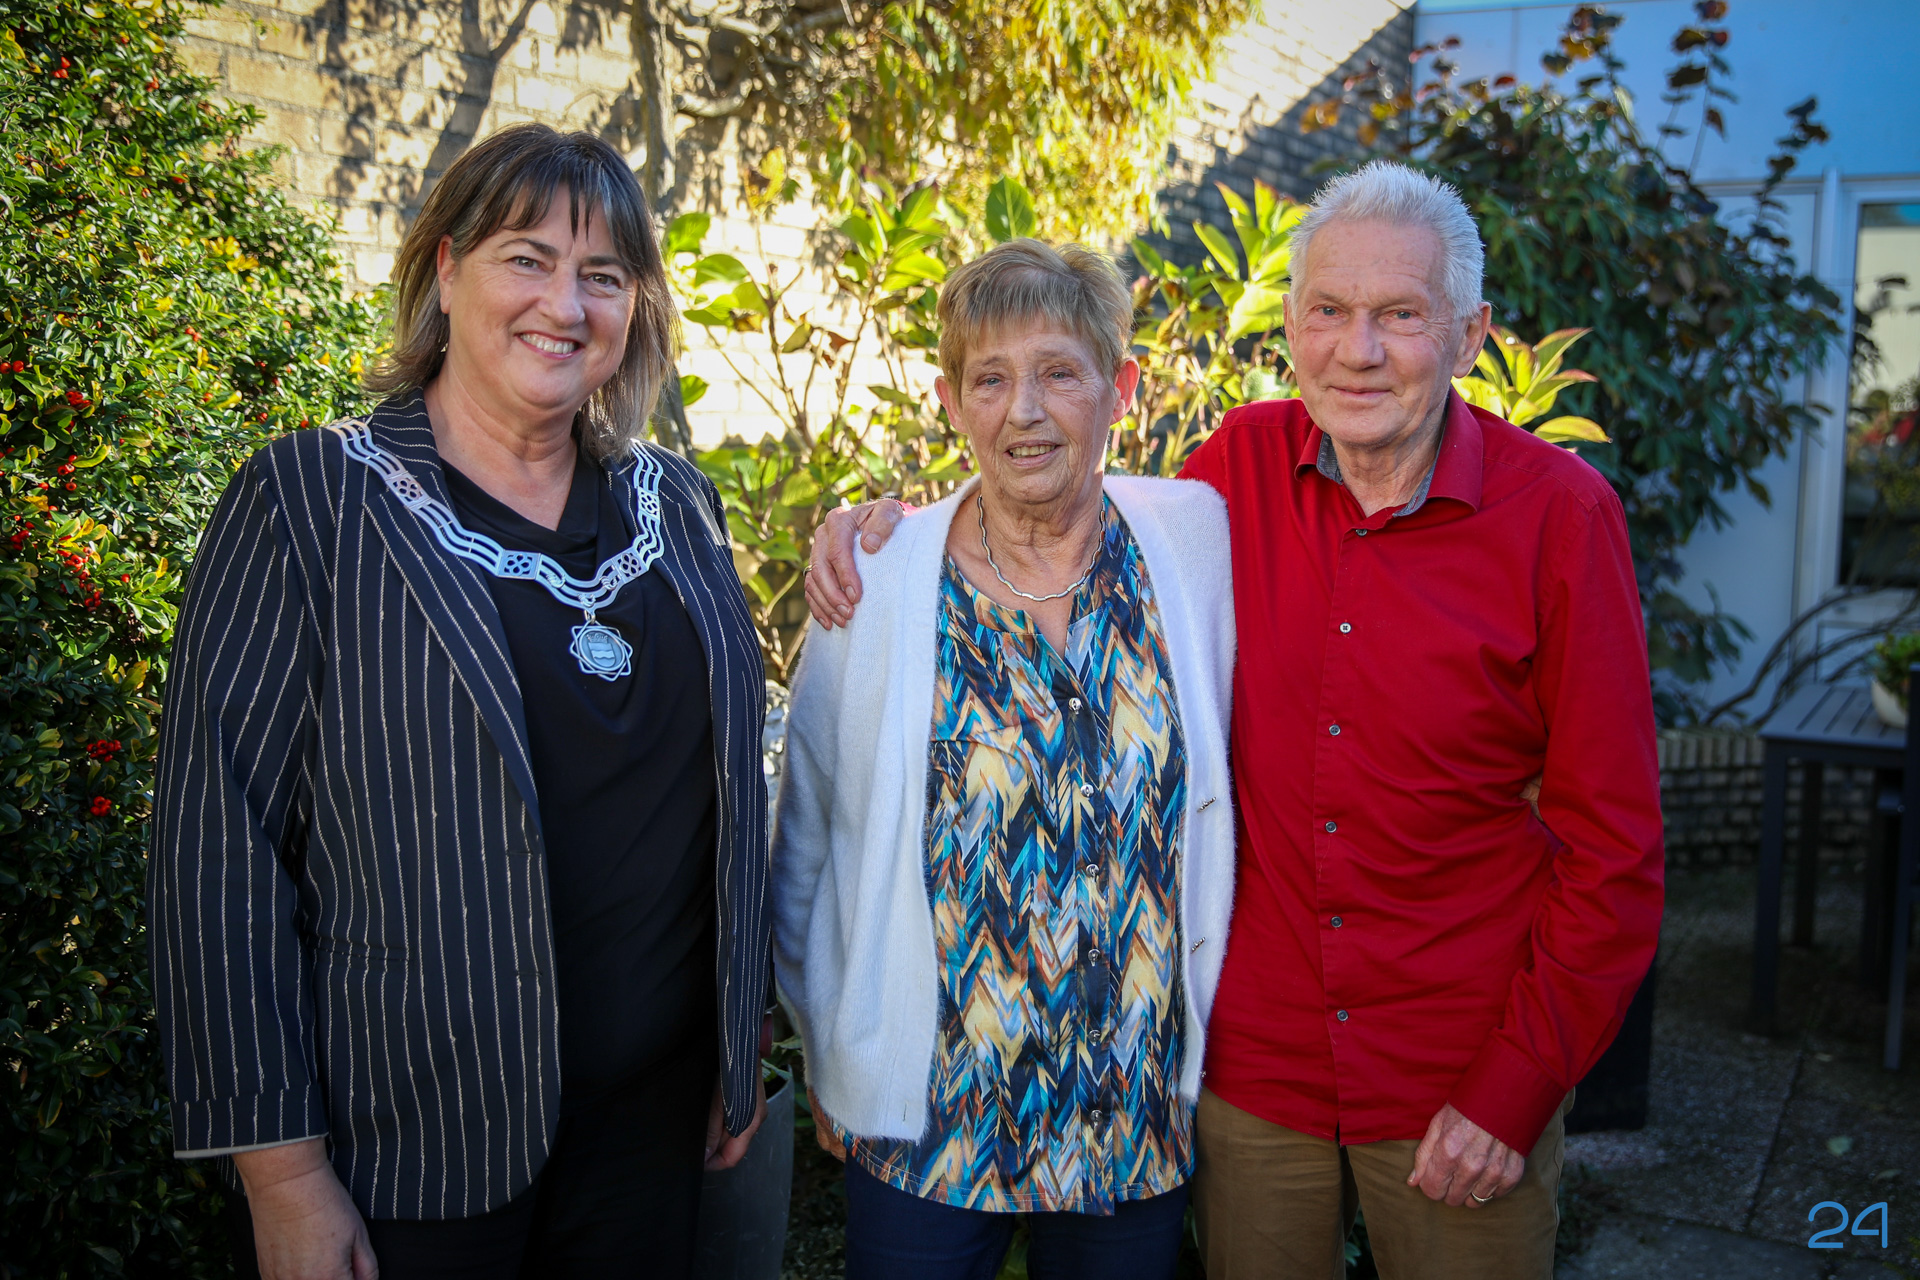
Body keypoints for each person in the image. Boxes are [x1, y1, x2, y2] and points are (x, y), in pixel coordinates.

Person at [804, 159, 1664, 1280]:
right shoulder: (1229, 485)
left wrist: (1517, 1088)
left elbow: (1617, 852)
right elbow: (1041, 483)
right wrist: (881, 527)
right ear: (1293, 329)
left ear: (1468, 336)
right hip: (1256, 1087)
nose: (1359, 349)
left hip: (1455, 1069)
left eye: (1400, 315)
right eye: (1328, 312)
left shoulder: (1557, 517)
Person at [149, 123, 772, 1280]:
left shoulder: (677, 503)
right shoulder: (311, 498)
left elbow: (727, 791)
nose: (566, 303)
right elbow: (216, 850)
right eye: (526, 257)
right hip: (414, 1156)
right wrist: (283, 1177)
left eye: (604, 273)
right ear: (444, 269)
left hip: (650, 1134)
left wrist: (740, 1035)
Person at [773, 240, 1237, 1280]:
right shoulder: (879, 583)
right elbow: (806, 840)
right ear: (951, 400)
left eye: (1059, 371)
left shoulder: (1195, 544)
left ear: (1121, 389)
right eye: (991, 378)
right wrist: (835, 1052)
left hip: (1128, 1106)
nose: (1024, 409)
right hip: (929, 1112)